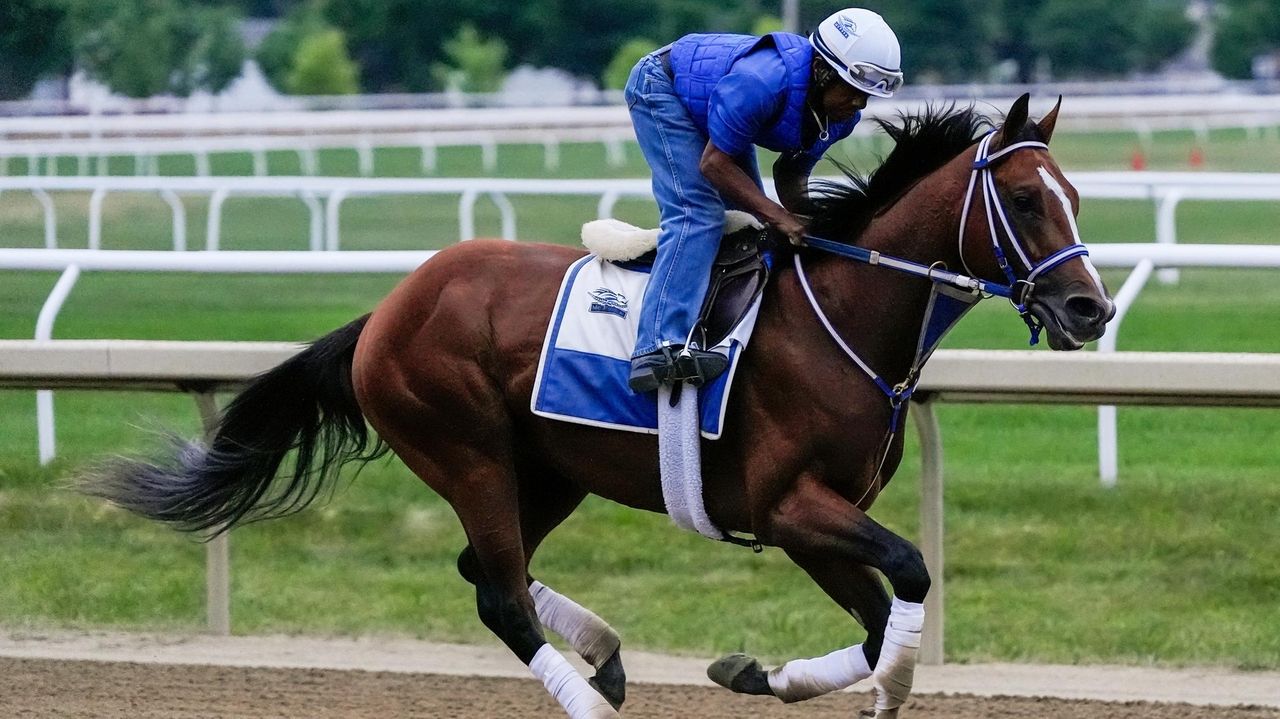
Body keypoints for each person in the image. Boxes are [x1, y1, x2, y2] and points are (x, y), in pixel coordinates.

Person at [624, 8, 904, 392]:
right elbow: (714, 164)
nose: (860, 105)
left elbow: (791, 173)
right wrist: (779, 217)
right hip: (661, 84)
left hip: (714, 104)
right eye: (855, 91)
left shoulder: (840, 117)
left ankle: (714, 331)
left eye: (868, 96)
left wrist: (809, 224)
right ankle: (656, 347)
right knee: (698, 214)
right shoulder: (763, 82)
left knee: (749, 225)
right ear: (823, 71)